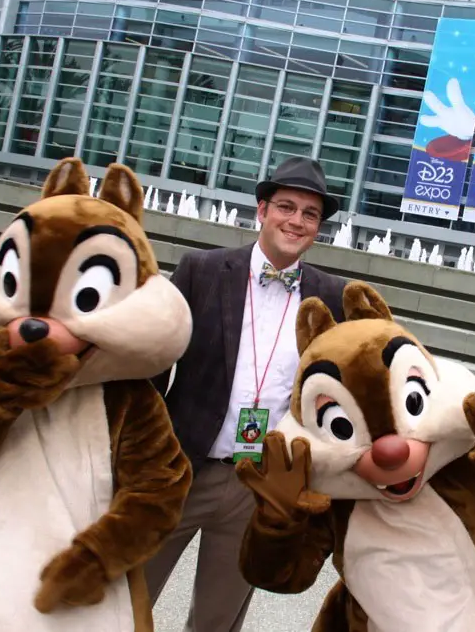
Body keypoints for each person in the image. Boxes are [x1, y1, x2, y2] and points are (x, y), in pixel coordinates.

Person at [144, 157, 348, 632]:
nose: (296, 221)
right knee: (128, 594)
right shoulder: (203, 270)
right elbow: (155, 367)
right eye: (286, 207)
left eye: (309, 214)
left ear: (319, 227)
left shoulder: (331, 296)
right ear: (262, 210)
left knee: (216, 620)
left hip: (256, 485)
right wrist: (140, 455)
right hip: (182, 469)